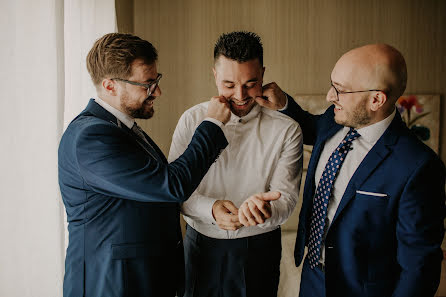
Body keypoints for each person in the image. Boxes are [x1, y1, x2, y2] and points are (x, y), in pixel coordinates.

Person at [255, 43, 446, 297]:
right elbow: (312, 127)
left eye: (340, 90)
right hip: (312, 278)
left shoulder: (419, 167)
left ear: (376, 99)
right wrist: (284, 104)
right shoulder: (334, 120)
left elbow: (419, 267)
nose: (329, 96)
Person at [58, 33, 231, 297]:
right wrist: (211, 125)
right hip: (112, 285)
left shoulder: (122, 127)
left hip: (145, 279)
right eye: (147, 84)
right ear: (110, 85)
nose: (157, 91)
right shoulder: (90, 138)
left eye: (156, 80)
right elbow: (172, 185)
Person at [168, 31, 303, 297]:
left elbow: (286, 200)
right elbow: (175, 190)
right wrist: (212, 209)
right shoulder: (191, 120)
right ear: (215, 75)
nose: (240, 96)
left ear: (263, 74)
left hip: (260, 250)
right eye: (229, 84)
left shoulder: (287, 129)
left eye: (250, 84)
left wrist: (264, 210)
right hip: (199, 246)